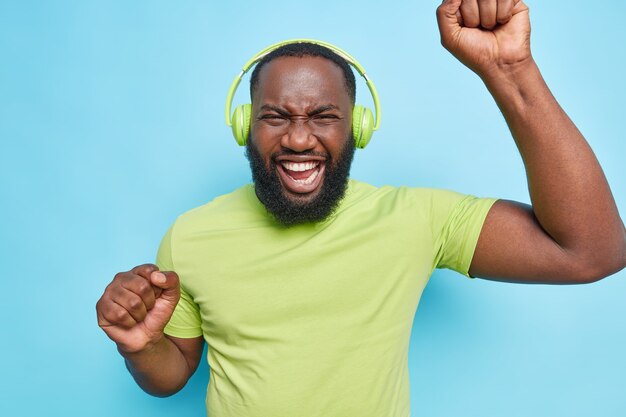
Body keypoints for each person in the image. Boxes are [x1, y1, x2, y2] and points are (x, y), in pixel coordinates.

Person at [96, 1, 626, 416]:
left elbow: (592, 252)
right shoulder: (191, 234)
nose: (299, 138)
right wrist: (142, 348)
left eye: (324, 115)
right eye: (275, 116)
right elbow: (173, 374)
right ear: (245, 126)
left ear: (359, 128)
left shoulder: (417, 219)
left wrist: (510, 69)